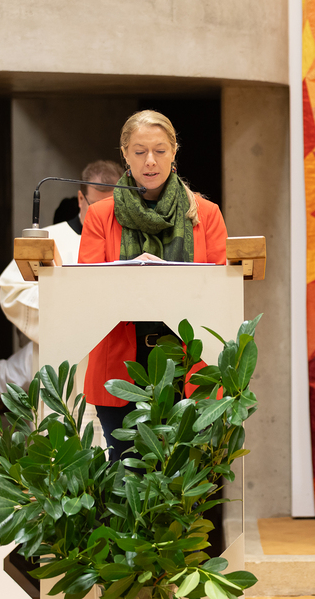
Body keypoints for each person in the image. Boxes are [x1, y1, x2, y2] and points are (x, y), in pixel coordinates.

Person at [78, 110, 227, 461]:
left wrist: (169, 276)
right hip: (121, 363)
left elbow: (223, 292)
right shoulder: (100, 215)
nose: (150, 161)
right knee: (127, 474)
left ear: (174, 152)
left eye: (160, 150)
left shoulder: (206, 214)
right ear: (125, 155)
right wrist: (132, 272)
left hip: (189, 363)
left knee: (184, 476)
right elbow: (86, 290)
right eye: (140, 151)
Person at [0, 160, 123, 397]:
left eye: (111, 206)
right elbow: (12, 291)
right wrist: (67, 307)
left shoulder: (129, 242)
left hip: (112, 362)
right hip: (62, 363)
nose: (104, 215)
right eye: (96, 206)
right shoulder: (49, 239)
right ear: (80, 199)